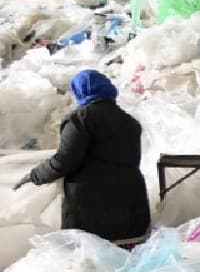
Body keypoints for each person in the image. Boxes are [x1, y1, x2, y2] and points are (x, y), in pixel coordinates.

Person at [14, 69, 150, 248]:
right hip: (131, 206)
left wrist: (35, 176)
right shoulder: (130, 122)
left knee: (93, 266)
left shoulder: (81, 119)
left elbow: (65, 161)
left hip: (93, 211)